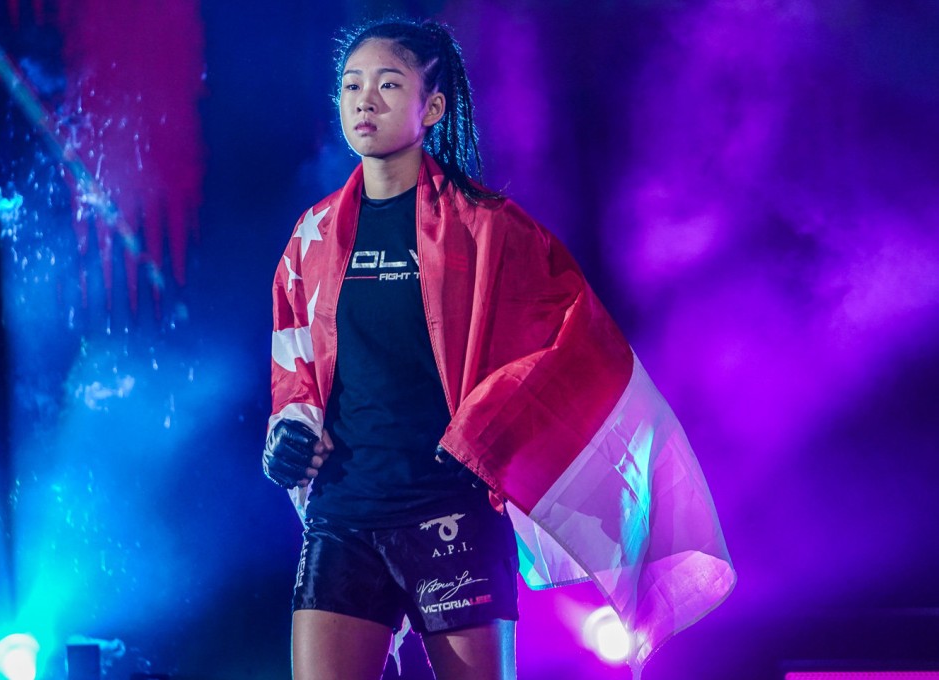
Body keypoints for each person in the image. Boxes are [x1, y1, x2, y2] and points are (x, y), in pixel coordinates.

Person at [264, 16, 735, 680]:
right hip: (344, 517)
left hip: (451, 511)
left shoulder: (491, 230)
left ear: (432, 106)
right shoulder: (310, 239)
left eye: (388, 84)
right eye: (351, 86)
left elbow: (572, 343)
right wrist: (289, 433)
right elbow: (296, 376)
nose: (364, 100)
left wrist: (498, 433)